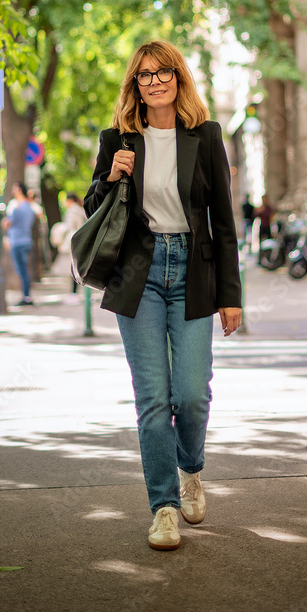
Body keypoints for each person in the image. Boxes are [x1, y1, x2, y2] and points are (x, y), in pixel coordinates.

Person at [85, 40, 242, 551]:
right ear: (135, 85)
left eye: (163, 72)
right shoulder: (118, 139)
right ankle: (164, 508)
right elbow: (93, 206)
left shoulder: (205, 135)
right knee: (153, 398)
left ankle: (190, 469)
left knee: (191, 395)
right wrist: (111, 175)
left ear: (178, 78)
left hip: (193, 271)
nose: (154, 82)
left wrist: (231, 294)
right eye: (144, 75)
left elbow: (223, 221)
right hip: (139, 274)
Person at [2, 182, 36, 306]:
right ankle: (26, 296)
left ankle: (26, 297)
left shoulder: (16, 208)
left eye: (15, 189)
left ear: (20, 191)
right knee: (24, 270)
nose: (13, 191)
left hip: (17, 241)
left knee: (21, 270)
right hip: (26, 240)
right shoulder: (30, 207)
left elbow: (6, 223)